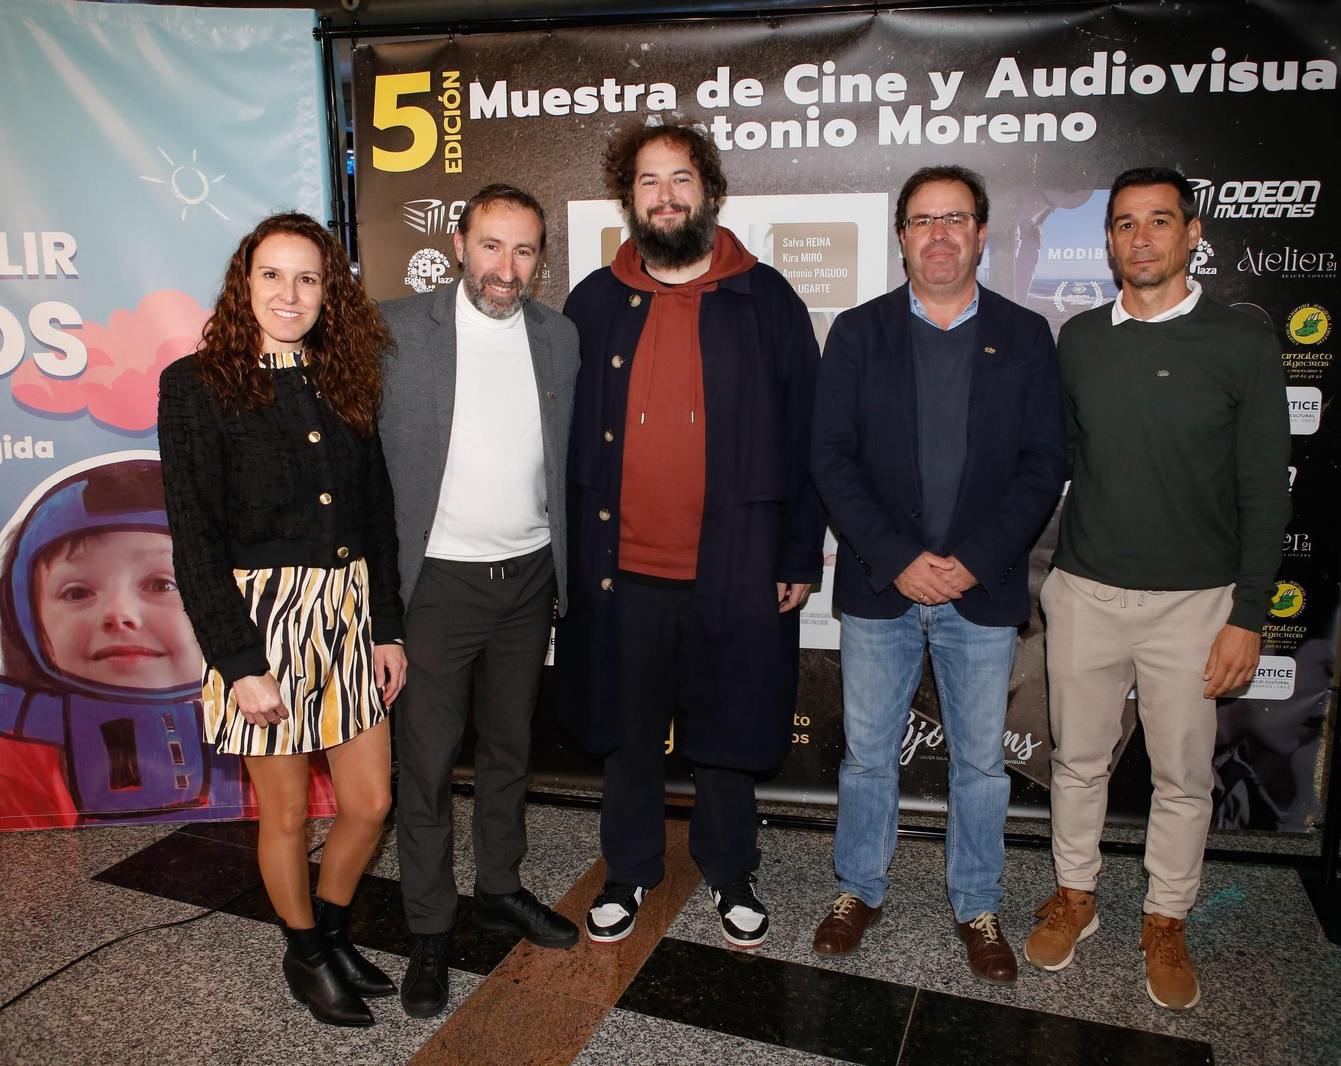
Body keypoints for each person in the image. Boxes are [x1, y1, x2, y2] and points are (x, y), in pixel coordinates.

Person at [1024, 167, 1290, 1010]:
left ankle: (1166, 916)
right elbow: (1062, 463)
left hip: (1196, 604)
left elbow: (1265, 487)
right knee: (1077, 760)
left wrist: (1249, 615)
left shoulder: (1241, 341)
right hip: (1087, 593)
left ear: (1193, 233)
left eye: (1159, 222)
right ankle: (1076, 895)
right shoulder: (1082, 341)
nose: (1141, 239)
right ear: (1107, 240)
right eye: (1125, 224)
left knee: (1181, 776)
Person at [558, 120, 824, 949]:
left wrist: (796, 552)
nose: (666, 195)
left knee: (727, 731)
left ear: (708, 191)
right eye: (648, 181)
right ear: (627, 197)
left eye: (681, 179)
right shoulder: (594, 301)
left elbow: (806, 433)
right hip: (621, 566)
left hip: (736, 564)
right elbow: (559, 440)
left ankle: (729, 868)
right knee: (628, 734)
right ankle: (629, 870)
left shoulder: (767, 297)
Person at [809, 166, 1067, 983]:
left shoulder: (1026, 337)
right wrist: (900, 560)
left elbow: (1042, 466)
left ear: (983, 233)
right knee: (867, 756)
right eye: (923, 221)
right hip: (883, 586)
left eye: (956, 218)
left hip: (980, 590)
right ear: (902, 237)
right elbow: (832, 458)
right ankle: (859, 888)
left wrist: (969, 564)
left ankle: (977, 902)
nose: (940, 235)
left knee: (983, 765)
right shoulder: (858, 331)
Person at [157, 212, 407, 1028]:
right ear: (245, 284)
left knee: (370, 801)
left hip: (346, 614)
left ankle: (332, 931)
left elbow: (377, 518)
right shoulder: (193, 385)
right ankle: (304, 952)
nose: (290, 293)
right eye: (273, 275)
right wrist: (239, 661)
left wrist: (387, 628)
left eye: (308, 277)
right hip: (260, 628)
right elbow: (193, 538)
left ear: (329, 289)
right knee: (289, 811)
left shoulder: (346, 376)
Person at [378, 183, 582, 1018]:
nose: (507, 267)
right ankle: (429, 930)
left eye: (525, 249)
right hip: (436, 585)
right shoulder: (394, 331)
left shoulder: (559, 337)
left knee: (508, 751)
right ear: (460, 244)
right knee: (424, 768)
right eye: (492, 246)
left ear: (541, 258)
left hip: (529, 577)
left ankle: (500, 885)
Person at [0, 458, 271, 831]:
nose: (120, 615)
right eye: (77, 591)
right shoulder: (51, 723)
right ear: (27, 615)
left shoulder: (249, 702)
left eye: (162, 584)